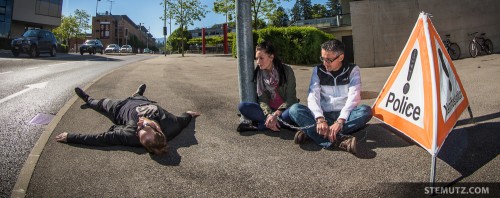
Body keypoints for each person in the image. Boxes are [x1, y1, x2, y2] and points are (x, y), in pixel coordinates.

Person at [55, 84, 200, 155]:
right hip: (141, 101)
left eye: (139, 131)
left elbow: (101, 139)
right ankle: (137, 93)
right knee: (140, 97)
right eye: (143, 126)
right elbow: (184, 120)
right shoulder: (172, 124)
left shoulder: (130, 136)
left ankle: (87, 98)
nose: (138, 126)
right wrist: (189, 114)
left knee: (98, 104)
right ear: (158, 129)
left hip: (118, 107)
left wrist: (70, 137)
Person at [288, 39, 373, 154]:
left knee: (366, 111)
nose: (325, 63)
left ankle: (312, 133)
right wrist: (319, 118)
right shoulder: (317, 70)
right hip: (324, 115)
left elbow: (354, 97)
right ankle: (338, 140)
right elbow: (313, 96)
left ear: (341, 57)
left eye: (329, 60)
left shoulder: (352, 70)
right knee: (294, 109)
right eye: (323, 59)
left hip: (346, 116)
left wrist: (340, 121)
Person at [237, 41, 300, 132]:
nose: (258, 62)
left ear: (271, 57)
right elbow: (263, 100)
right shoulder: (260, 74)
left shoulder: (287, 71)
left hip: (285, 110)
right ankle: (280, 124)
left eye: (261, 58)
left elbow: (291, 98)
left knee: (296, 111)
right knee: (242, 106)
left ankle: (259, 126)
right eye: (257, 58)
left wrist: (276, 114)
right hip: (268, 111)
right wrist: (269, 115)